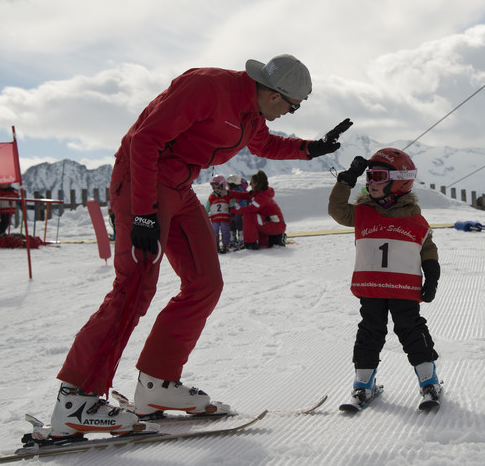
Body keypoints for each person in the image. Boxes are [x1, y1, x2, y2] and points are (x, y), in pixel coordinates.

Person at [49, 54, 353, 438]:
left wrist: (312, 148)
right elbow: (145, 140)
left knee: (205, 282)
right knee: (134, 285)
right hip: (144, 180)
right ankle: (76, 400)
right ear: (276, 95)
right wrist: (142, 212)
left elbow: (266, 145)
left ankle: (156, 385)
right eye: (292, 108)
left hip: (179, 185)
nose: (287, 115)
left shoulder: (252, 115)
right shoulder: (208, 87)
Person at [328, 148, 442, 409]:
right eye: (368, 176)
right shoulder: (362, 212)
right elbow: (336, 210)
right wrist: (346, 180)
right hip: (372, 289)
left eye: (377, 176)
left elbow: (427, 248)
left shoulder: (414, 219)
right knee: (369, 333)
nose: (370, 182)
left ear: (400, 181)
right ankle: (362, 385)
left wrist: (432, 275)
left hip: (403, 289)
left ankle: (429, 382)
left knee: (411, 331)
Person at [229, 170, 286, 250]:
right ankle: (275, 239)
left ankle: (251, 244)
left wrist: (233, 209)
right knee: (262, 241)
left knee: (249, 216)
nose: (250, 184)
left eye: (251, 182)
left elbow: (251, 208)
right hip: (272, 224)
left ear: (256, 184)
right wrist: (228, 193)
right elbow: (245, 195)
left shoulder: (262, 196)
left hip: (275, 224)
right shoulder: (258, 194)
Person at [205, 175, 232, 253]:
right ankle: (215, 246)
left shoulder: (227, 195)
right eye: (214, 188)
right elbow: (208, 206)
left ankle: (225, 245)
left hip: (225, 218)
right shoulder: (212, 196)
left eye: (218, 188)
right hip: (215, 218)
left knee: (225, 231)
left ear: (223, 185)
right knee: (214, 232)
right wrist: (206, 213)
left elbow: (231, 203)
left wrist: (232, 210)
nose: (216, 190)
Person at [226, 174, 248, 249]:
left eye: (228, 185)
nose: (227, 187)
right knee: (234, 226)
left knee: (237, 226)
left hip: (238, 214)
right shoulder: (234, 192)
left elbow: (243, 202)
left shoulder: (238, 193)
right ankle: (237, 240)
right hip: (235, 214)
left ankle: (237, 241)